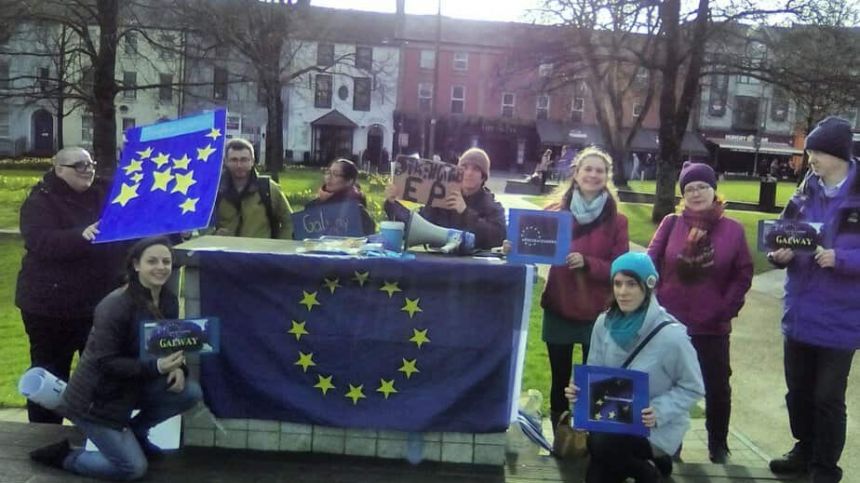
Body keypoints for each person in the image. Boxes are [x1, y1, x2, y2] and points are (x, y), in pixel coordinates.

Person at [28, 237, 203, 480]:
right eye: (152, 261)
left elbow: (165, 344)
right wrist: (158, 366)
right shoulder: (115, 306)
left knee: (190, 393)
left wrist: (178, 367)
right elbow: (105, 363)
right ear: (136, 265)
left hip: (130, 387)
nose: (161, 267)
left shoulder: (168, 300)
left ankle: (136, 433)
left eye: (166, 261)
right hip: (96, 400)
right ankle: (65, 456)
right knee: (132, 469)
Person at [767, 116, 859, 482]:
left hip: (842, 318)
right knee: (799, 393)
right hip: (800, 312)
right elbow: (779, 233)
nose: (811, 160)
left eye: (816, 152)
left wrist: (842, 259)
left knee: (827, 399)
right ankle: (803, 449)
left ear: (838, 153)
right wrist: (779, 252)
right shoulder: (806, 189)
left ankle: (825, 467)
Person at [646, 161, 753, 464]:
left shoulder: (732, 229)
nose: (696, 193)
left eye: (702, 187)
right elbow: (650, 262)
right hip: (672, 323)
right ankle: (671, 445)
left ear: (714, 190)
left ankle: (718, 444)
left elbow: (742, 273)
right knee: (668, 386)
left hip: (712, 325)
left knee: (717, 387)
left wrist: (725, 308)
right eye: (689, 188)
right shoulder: (671, 224)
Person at [566, 252, 705, 483]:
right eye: (618, 283)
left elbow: (693, 387)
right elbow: (595, 370)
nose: (622, 292)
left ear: (648, 285)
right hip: (612, 421)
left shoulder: (672, 336)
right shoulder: (604, 322)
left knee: (601, 446)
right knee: (599, 464)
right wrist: (579, 393)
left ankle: (648, 470)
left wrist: (659, 411)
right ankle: (649, 470)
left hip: (653, 428)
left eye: (631, 284)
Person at [15, 147, 128, 424]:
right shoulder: (40, 200)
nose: (88, 169)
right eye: (79, 165)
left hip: (98, 303)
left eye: (91, 162)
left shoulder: (106, 192)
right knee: (51, 373)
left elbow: (134, 221)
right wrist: (81, 235)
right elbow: (40, 241)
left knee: (102, 373)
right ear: (59, 169)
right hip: (50, 307)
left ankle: (96, 434)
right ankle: (43, 435)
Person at [534, 146, 630, 433]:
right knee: (560, 379)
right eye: (587, 169)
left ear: (607, 177)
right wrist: (514, 248)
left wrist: (588, 263)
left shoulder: (618, 221)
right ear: (575, 174)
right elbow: (533, 248)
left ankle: (595, 442)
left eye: (599, 170)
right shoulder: (553, 213)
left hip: (598, 313)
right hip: (559, 305)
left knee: (597, 380)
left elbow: (620, 267)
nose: (593, 174)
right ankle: (561, 439)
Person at [384, 147, 506, 250]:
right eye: (465, 167)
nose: (469, 173)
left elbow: (498, 237)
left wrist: (465, 212)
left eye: (476, 169)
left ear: (483, 177)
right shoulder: (442, 197)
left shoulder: (492, 206)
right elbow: (414, 223)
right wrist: (392, 204)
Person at [213, 138, 293, 239]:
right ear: (226, 162)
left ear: (252, 161)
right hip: (224, 253)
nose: (239, 165)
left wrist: (280, 246)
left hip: (261, 252)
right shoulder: (215, 191)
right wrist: (213, 236)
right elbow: (202, 224)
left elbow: (289, 220)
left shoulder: (268, 189)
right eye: (234, 160)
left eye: (244, 160)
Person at [304, 158, 376, 236]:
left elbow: (368, 237)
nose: (329, 177)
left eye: (335, 174)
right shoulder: (312, 206)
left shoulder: (358, 211)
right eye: (328, 173)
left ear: (349, 181)